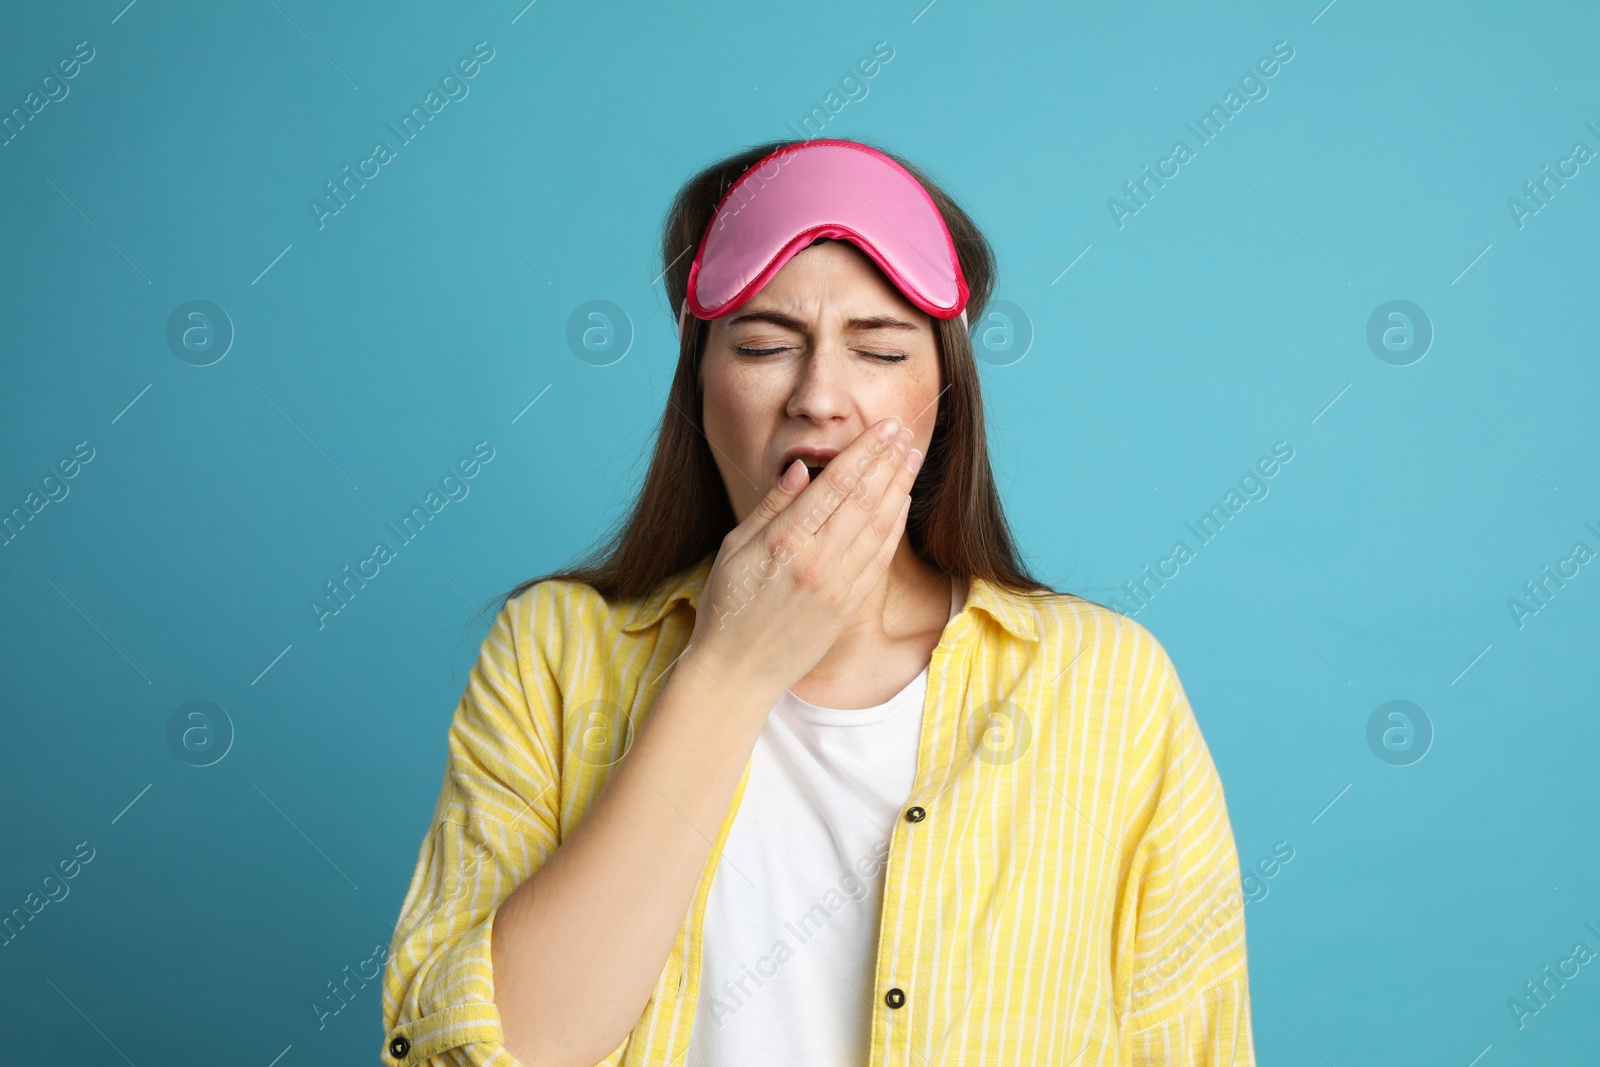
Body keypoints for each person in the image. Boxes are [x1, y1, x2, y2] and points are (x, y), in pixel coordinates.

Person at [380, 137, 1257, 1067]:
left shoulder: (1109, 684)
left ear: (943, 396)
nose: (821, 398)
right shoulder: (551, 650)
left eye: (878, 349)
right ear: (699, 383)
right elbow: (481, 1052)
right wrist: (729, 667)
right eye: (763, 344)